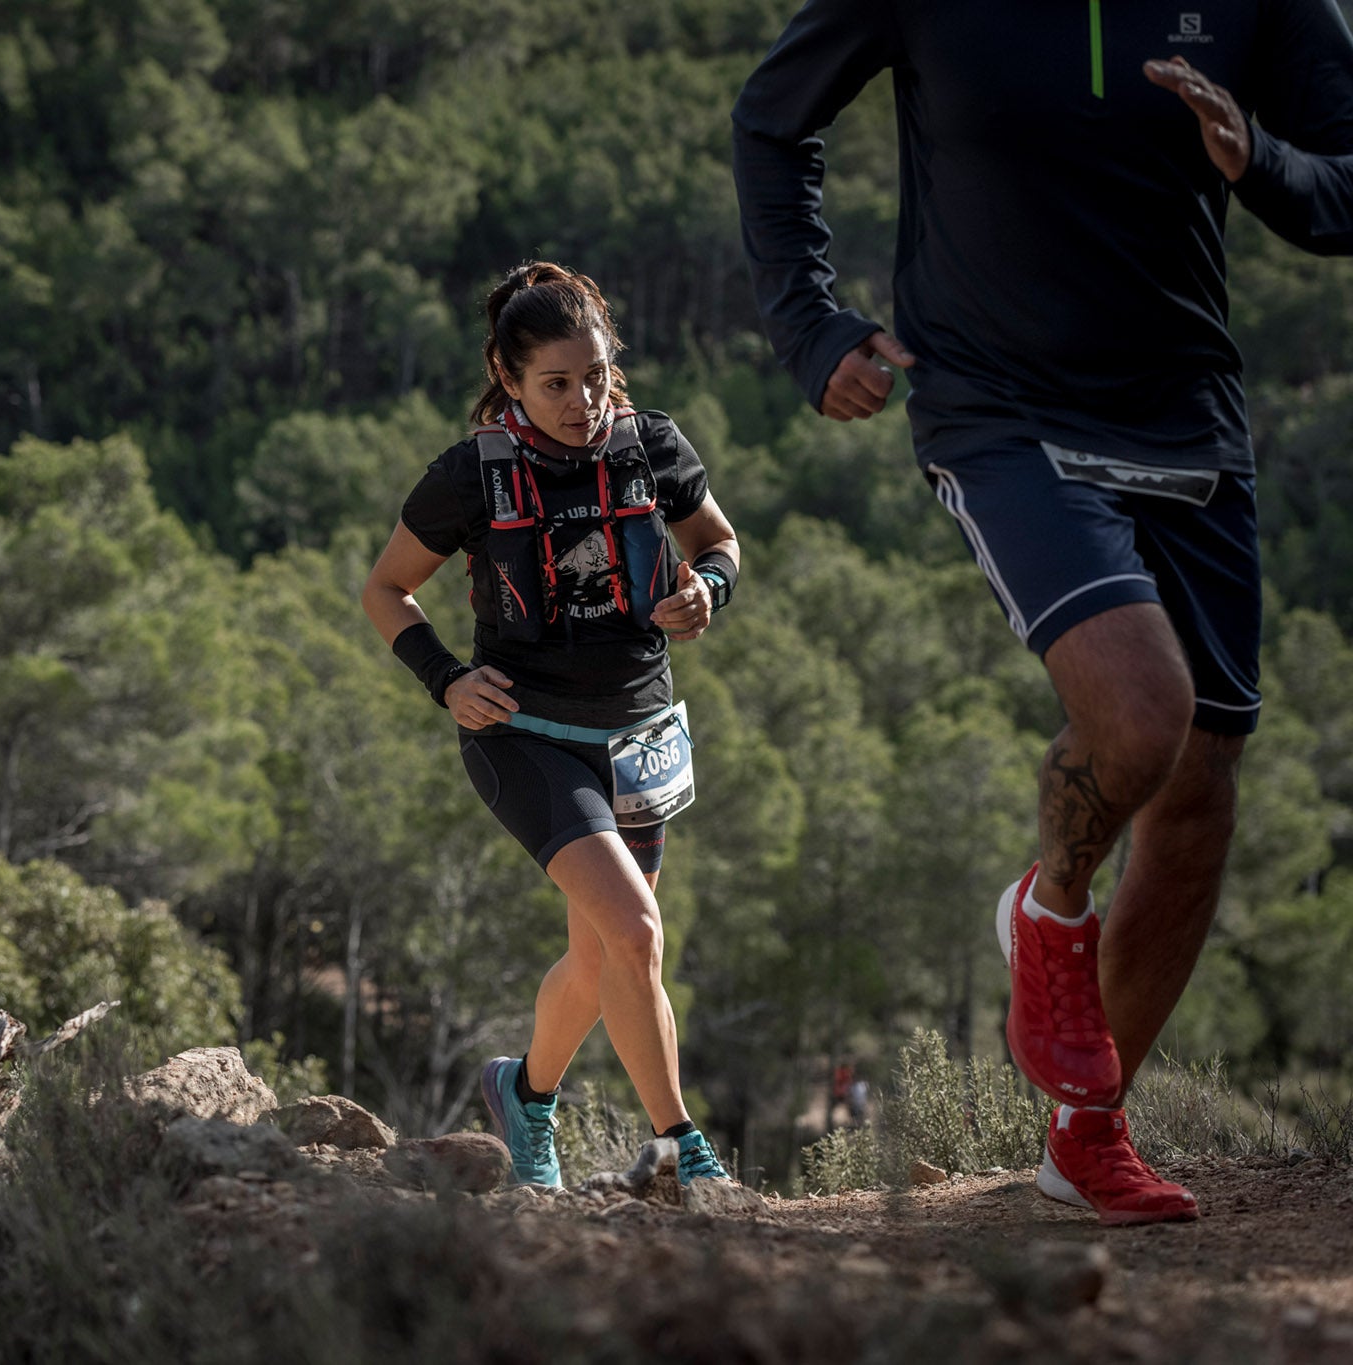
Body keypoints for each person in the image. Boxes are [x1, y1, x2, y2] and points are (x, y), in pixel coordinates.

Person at [732, 0, 1353, 1225]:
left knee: (1199, 789)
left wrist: (1257, 161)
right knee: (1138, 719)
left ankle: (1082, 1138)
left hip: (1184, 419)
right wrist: (809, 324)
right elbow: (770, 119)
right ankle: (1047, 902)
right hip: (999, 406)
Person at [362, 262, 760, 1210]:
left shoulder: (651, 445)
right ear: (508, 376)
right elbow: (385, 590)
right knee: (635, 930)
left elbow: (722, 541)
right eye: (555, 383)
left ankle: (524, 1092)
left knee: (602, 955)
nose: (582, 401)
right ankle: (680, 1146)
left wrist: (711, 591)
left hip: (640, 737)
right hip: (524, 732)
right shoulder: (470, 475)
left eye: (595, 377)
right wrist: (446, 680)